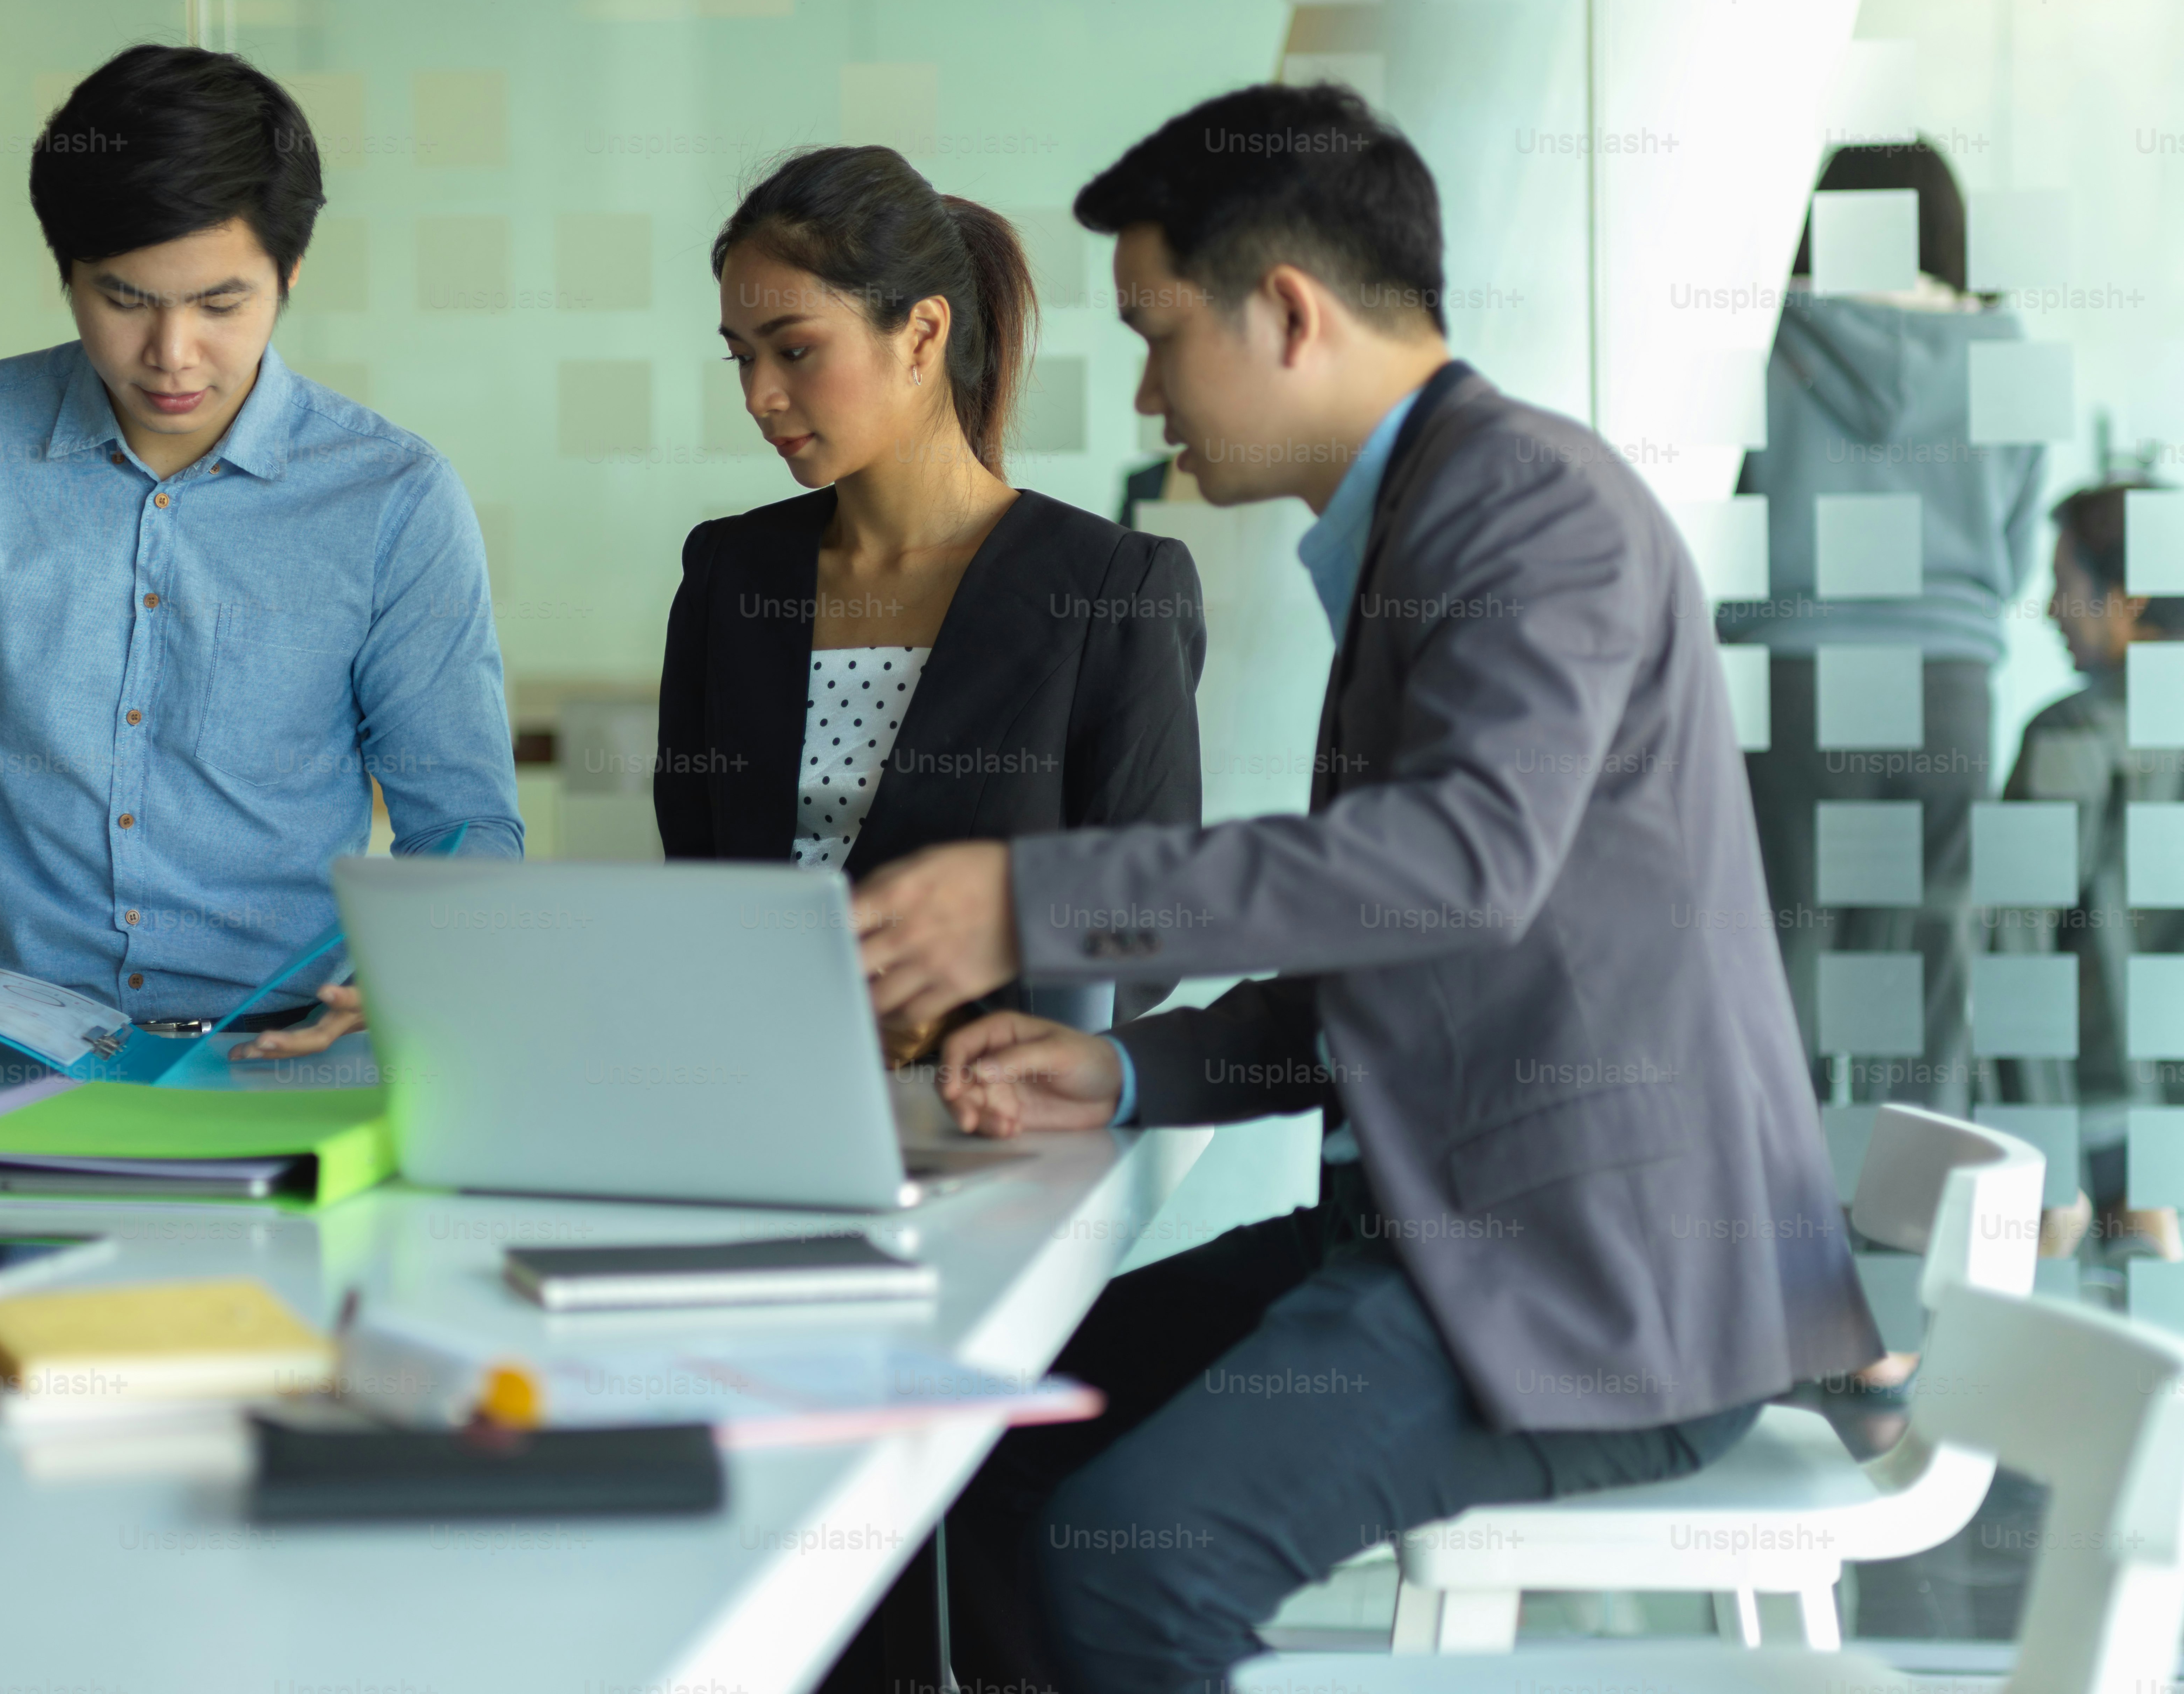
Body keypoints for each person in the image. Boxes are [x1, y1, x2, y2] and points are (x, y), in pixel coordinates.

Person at [842, 83, 1880, 1693]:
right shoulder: (1423, 522)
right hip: (1442, 1234)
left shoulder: (1525, 512)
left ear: (1285, 312)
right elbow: (1392, 952)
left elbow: (1454, 867)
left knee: (1131, 1573)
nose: (1141, 390)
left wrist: (1029, 902)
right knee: (990, 1439)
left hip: (1587, 1275)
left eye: (1156, 331)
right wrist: (1131, 1068)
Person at [0, 45, 520, 1047]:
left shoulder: (392, 497)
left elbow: (460, 819)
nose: (173, 353)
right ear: (67, 274)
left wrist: (420, 965)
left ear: (291, 272)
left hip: (286, 1053)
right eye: (126, 299)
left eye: (222, 304)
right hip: (2, 1048)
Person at [657, 146, 1204, 1056]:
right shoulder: (729, 572)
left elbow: (1146, 922)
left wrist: (950, 1010)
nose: (760, 395)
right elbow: (695, 882)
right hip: (754, 1086)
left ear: (920, 335)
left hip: (983, 1113)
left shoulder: (1113, 589)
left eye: (795, 350)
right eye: (742, 358)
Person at [1720, 141, 2047, 1138]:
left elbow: (1727, 511)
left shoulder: (1774, 338)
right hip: (1951, 676)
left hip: (1797, 674)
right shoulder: (2012, 353)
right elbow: (2018, 542)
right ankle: (1907, 1247)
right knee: (1929, 960)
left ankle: (1777, 1228)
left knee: (1791, 952)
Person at [1983, 480, 2184, 1261]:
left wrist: (2041, 1149)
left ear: (2127, 602)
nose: (2050, 609)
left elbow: (2012, 945)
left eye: (2064, 584)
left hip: (2090, 1116)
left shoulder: (2071, 731)